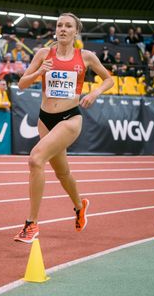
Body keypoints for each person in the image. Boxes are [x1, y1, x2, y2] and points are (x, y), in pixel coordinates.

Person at [13, 13, 113, 243]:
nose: (63, 29)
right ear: (55, 30)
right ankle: (80, 206)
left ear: (76, 31)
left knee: (35, 159)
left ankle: (31, 225)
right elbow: (21, 84)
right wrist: (39, 72)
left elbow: (109, 79)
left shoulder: (85, 56)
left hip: (70, 119)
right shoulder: (43, 54)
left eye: (68, 26)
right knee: (62, 172)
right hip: (45, 118)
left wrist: (95, 92)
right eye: (59, 25)